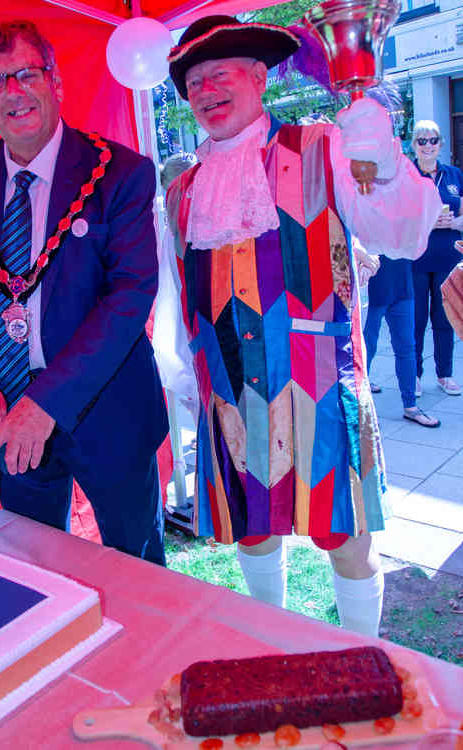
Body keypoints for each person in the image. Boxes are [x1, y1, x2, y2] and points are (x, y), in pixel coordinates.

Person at [154, 15, 442, 635]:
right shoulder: (180, 191)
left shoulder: (322, 146)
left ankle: (364, 655)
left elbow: (402, 231)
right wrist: (183, 379)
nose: (206, 90)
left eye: (220, 73)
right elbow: (177, 297)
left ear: (259, 77)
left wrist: (376, 147)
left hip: (322, 384)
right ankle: (274, 648)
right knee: (252, 537)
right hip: (226, 390)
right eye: (194, 80)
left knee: (348, 539)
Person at [0, 20, 169, 565]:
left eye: (25, 74)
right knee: (34, 570)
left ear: (55, 81)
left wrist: (45, 405)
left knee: (137, 571)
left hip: (111, 413)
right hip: (8, 413)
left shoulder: (121, 174)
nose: (12, 92)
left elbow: (130, 299)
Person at [411, 120, 463, 397]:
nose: (428, 145)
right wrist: (427, 223)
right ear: (414, 145)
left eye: (433, 140)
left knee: (445, 318)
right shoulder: (406, 175)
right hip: (416, 259)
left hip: (447, 258)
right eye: (422, 141)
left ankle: (445, 374)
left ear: (441, 144)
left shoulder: (454, 175)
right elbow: (398, 217)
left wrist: (454, 222)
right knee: (416, 320)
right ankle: (415, 376)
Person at [362, 248, 441, 428]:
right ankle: (361, 409)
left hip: (402, 285)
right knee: (366, 347)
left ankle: (411, 406)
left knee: (406, 347)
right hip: (373, 287)